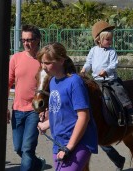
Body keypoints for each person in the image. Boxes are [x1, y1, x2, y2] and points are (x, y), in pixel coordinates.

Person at [37, 42, 98, 171]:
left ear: (61, 60)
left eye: (47, 63)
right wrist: (46, 124)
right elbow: (61, 112)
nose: (43, 67)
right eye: (42, 63)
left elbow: (83, 117)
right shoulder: (53, 82)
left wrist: (69, 147)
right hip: (59, 142)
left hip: (78, 143)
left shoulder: (75, 82)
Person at [80, 20, 133, 126]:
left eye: (111, 39)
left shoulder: (112, 51)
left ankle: (130, 111)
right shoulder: (93, 50)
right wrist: (84, 70)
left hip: (110, 79)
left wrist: (106, 71)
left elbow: (113, 64)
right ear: (99, 40)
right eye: (107, 39)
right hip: (96, 80)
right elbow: (89, 62)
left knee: (119, 90)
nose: (110, 41)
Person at [8, 24, 46, 171]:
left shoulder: (43, 61)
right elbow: (7, 82)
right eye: (23, 40)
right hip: (17, 109)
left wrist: (45, 110)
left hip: (34, 110)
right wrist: (5, 107)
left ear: (37, 40)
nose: (26, 43)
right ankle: (38, 164)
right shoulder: (15, 58)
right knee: (18, 147)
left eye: (29, 40)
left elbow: (49, 87)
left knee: (27, 148)